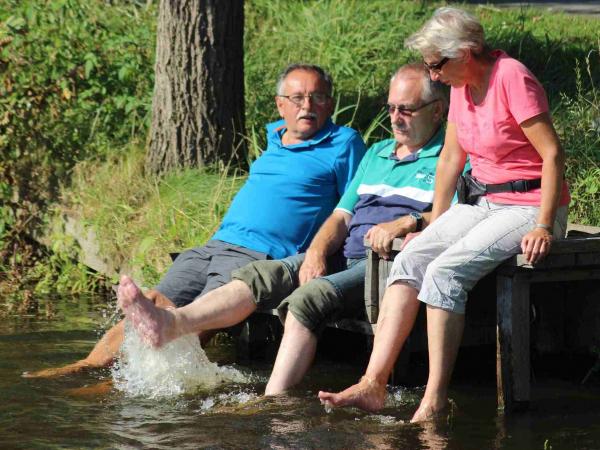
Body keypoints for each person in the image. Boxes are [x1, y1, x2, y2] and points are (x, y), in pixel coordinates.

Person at [116, 63, 447, 395]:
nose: (395, 117)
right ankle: (168, 324)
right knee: (257, 277)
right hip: (334, 253)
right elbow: (341, 216)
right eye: (391, 108)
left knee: (304, 299)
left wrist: (409, 221)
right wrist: (316, 252)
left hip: (383, 262)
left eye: (406, 109)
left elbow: (456, 214)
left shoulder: (447, 157)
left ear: (436, 111)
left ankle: (273, 400)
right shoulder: (377, 152)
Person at [24, 63, 366, 378]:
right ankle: (85, 366)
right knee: (153, 302)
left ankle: (119, 385)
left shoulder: (343, 143)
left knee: (197, 317)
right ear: (281, 105)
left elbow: (352, 208)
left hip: (258, 256)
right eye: (297, 97)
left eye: (317, 97)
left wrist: (321, 253)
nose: (307, 105)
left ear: (330, 103)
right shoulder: (274, 138)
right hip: (213, 245)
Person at [318, 6, 570, 422]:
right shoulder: (458, 85)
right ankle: (372, 383)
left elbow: (552, 154)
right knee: (411, 258)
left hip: (530, 205)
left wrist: (545, 224)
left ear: (467, 51)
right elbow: (452, 158)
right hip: (483, 203)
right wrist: (435, 221)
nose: (433, 75)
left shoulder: (512, 78)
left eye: (438, 64)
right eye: (429, 65)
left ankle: (435, 399)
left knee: (444, 272)